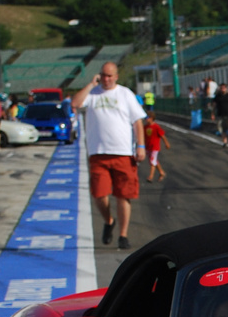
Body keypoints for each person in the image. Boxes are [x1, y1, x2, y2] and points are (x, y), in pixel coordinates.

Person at [70, 62, 146, 250]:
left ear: (116, 76)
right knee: (99, 194)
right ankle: (108, 220)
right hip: (98, 152)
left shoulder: (125, 94)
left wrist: (141, 145)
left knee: (123, 195)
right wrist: (90, 85)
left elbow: (137, 122)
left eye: (110, 76)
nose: (107, 79)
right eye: (104, 75)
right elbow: (75, 103)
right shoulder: (92, 94)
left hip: (122, 152)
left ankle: (123, 234)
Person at [143, 110, 170, 181]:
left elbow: (163, 136)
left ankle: (151, 176)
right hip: (148, 147)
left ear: (151, 118)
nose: (145, 119)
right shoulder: (145, 127)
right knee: (153, 161)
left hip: (155, 147)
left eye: (147, 118)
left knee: (152, 161)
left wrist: (166, 143)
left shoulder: (156, 127)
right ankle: (161, 172)